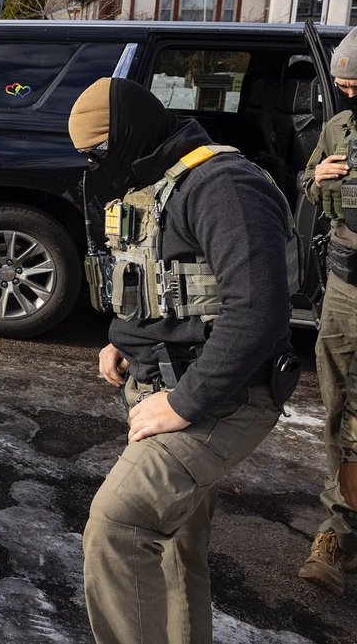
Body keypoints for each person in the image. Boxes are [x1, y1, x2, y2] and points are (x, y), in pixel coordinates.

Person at [70, 77, 295, 644]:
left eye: (98, 154)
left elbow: (259, 312)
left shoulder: (225, 186)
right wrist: (126, 335)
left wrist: (185, 403)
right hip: (169, 382)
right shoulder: (157, 180)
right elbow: (162, 282)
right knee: (173, 543)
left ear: (129, 137)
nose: (95, 168)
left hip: (223, 394)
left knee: (119, 527)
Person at [299, 28, 357, 595]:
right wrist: (316, 180)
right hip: (344, 287)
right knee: (338, 406)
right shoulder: (338, 129)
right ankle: (338, 531)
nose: (345, 95)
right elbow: (305, 182)